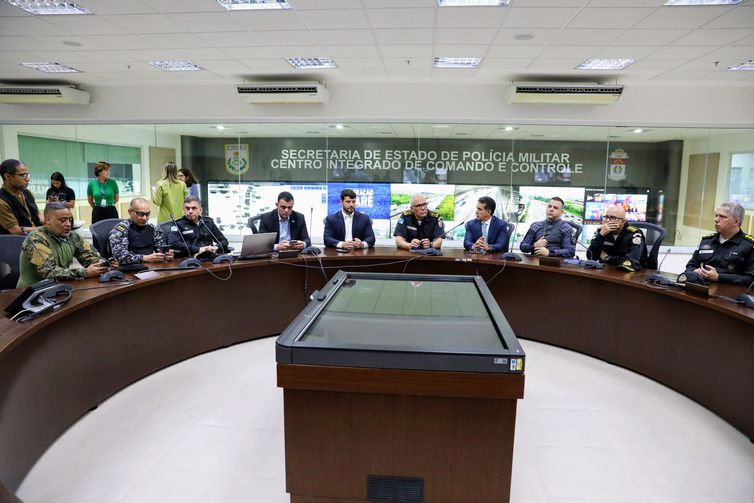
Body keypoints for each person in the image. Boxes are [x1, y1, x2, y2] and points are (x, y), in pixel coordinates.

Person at [17, 202, 108, 287]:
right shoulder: (36, 239)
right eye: (63, 220)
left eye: (70, 219)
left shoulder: (73, 237)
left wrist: (103, 265)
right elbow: (49, 272)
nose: (68, 224)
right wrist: (85, 272)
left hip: (59, 288)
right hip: (31, 292)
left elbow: (90, 257)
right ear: (48, 221)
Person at [680, 201, 754, 285]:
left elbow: (750, 279)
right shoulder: (707, 241)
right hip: (700, 290)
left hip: (729, 295)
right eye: (716, 215)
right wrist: (694, 272)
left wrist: (718, 277)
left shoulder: (749, 245)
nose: (716, 220)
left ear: (736, 221)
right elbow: (691, 265)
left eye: (722, 217)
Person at [108, 198, 174, 265]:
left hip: (152, 267)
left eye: (147, 214)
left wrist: (166, 255)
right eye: (140, 214)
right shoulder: (120, 230)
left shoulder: (153, 228)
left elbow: (161, 249)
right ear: (130, 212)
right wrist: (144, 258)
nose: (145, 218)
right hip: (130, 269)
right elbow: (120, 256)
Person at [587, 204, 647, 271]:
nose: (608, 221)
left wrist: (607, 258)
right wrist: (601, 235)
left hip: (633, 274)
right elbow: (590, 256)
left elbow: (630, 262)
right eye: (606, 217)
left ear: (623, 221)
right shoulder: (602, 231)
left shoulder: (634, 234)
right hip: (607, 271)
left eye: (613, 218)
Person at [0, 158, 42, 235]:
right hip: (15, 243)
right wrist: (45, 229)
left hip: (35, 238)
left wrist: (52, 221)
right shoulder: (2, 201)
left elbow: (38, 215)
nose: (27, 179)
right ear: (8, 176)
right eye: (23, 175)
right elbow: (15, 230)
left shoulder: (28, 193)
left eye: (27, 175)